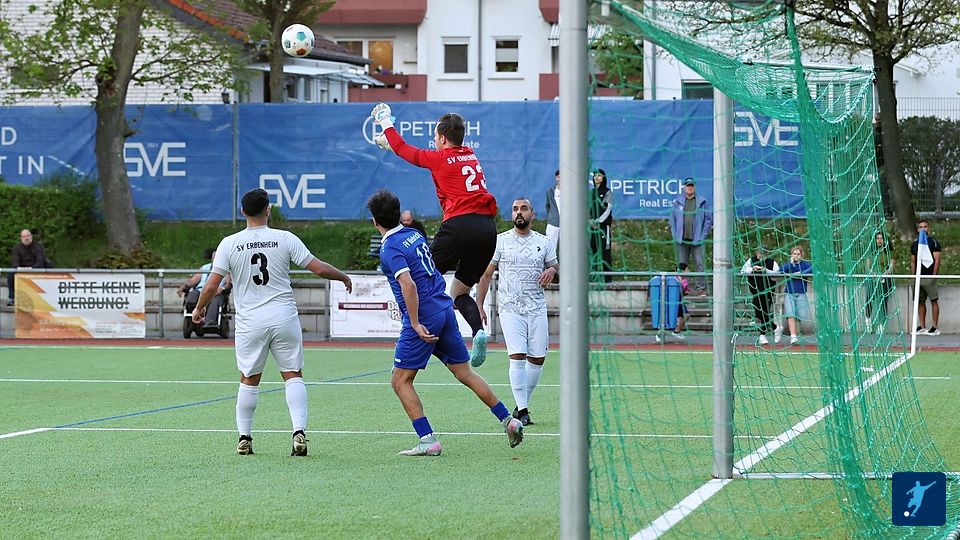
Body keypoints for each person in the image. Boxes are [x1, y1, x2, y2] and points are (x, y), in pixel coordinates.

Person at [191, 188, 353, 457]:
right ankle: (298, 432)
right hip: (283, 316)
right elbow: (318, 267)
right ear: (268, 210)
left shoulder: (229, 243)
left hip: (250, 321)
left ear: (242, 211)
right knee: (292, 374)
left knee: (249, 379)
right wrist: (343, 276)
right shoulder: (284, 238)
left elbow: (210, 286)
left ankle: (244, 438)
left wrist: (199, 308)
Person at [366, 189, 523, 456]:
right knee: (465, 373)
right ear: (398, 213)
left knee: (400, 380)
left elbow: (408, 285)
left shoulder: (389, 247)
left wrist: (414, 323)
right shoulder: (414, 234)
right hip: (444, 308)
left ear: (374, 220)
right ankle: (509, 420)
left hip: (425, 317)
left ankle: (427, 439)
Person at [372, 103, 497, 367]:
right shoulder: (470, 155)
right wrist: (390, 144)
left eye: (435, 137)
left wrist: (385, 122)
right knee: (459, 292)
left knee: (418, 278)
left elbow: (404, 149)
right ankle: (478, 331)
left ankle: (414, 332)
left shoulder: (440, 158)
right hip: (487, 229)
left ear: (441, 138)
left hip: (459, 226)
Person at [476, 197, 559, 427]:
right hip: (510, 308)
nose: (519, 212)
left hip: (536, 307)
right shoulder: (500, 241)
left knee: (538, 358)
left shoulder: (544, 242)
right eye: (515, 209)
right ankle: (523, 410)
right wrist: (479, 304)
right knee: (517, 355)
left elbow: (556, 268)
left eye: (523, 209)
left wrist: (552, 270)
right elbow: (486, 274)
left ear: (533, 214)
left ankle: (521, 404)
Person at [669, 177, 712, 296]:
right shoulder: (677, 202)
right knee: (682, 265)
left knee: (699, 264)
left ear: (695, 187)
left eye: (692, 185)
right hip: (682, 240)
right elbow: (672, 219)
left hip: (697, 239)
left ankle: (700, 288)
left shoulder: (702, 202)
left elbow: (708, 219)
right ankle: (683, 288)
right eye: (688, 185)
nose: (690, 187)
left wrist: (703, 235)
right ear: (684, 187)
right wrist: (675, 235)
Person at [178, 247, 232, 329]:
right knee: (192, 296)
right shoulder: (205, 268)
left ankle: (209, 321)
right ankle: (193, 315)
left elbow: (228, 284)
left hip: (216, 292)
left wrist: (222, 288)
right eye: (214, 258)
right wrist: (183, 286)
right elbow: (193, 280)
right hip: (200, 290)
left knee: (216, 299)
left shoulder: (226, 269)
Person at [741, 244, 780, 345]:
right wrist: (752, 269)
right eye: (758, 253)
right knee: (759, 312)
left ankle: (762, 336)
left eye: (762, 253)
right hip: (756, 291)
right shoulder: (751, 260)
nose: (760, 255)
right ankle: (775, 328)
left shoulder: (772, 262)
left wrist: (766, 271)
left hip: (768, 291)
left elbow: (777, 274)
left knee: (765, 311)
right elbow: (743, 271)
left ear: (766, 254)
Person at [910, 220, 942, 336]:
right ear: (918, 229)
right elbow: (913, 261)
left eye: (925, 227)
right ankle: (922, 326)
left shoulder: (933, 242)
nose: (923, 229)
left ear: (929, 228)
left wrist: (933, 276)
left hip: (929, 277)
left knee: (933, 301)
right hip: (918, 277)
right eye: (920, 227)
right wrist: (914, 276)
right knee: (920, 301)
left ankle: (934, 327)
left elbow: (937, 260)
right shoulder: (915, 244)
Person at [7, 229, 52, 306]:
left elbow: (40, 261)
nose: (26, 238)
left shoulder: (38, 246)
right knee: (11, 273)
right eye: (24, 236)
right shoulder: (17, 248)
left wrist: (32, 268)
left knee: (49, 267)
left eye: (28, 236)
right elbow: (14, 262)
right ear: (21, 238)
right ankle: (12, 298)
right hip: (22, 269)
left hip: (36, 269)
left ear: (31, 236)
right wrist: (20, 268)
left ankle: (49, 296)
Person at [780, 245, 812, 345]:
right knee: (790, 314)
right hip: (789, 293)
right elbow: (781, 270)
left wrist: (801, 273)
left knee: (801, 315)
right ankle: (793, 336)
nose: (796, 256)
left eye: (798, 254)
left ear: (801, 255)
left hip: (801, 293)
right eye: (794, 254)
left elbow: (813, 269)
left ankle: (796, 334)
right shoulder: (789, 265)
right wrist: (790, 264)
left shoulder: (805, 265)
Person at [866, 230, 894, 333]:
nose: (879, 240)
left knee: (883, 301)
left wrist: (886, 273)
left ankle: (881, 325)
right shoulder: (871, 251)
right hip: (873, 278)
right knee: (869, 299)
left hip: (885, 278)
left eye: (881, 238)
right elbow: (867, 266)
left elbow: (892, 265)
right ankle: (868, 321)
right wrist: (873, 273)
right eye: (877, 238)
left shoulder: (889, 251)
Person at [589, 168, 613, 283]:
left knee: (605, 252)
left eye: (599, 175)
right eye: (595, 175)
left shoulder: (608, 192)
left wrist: (598, 221)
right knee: (592, 251)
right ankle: (592, 277)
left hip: (603, 227)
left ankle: (607, 278)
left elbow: (608, 209)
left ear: (603, 178)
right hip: (591, 227)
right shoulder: (591, 193)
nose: (596, 178)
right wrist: (590, 221)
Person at [545, 169, 561, 252]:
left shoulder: (570, 191)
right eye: (558, 177)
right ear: (556, 178)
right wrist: (551, 217)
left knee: (568, 249)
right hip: (553, 224)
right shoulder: (550, 191)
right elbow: (547, 206)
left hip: (567, 225)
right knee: (551, 249)